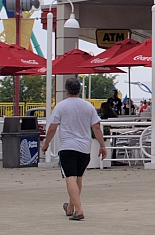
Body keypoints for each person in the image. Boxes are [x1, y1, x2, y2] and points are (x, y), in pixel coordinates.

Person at [41, 78, 107, 221]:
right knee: (78, 178)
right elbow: (96, 127)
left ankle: (79, 210)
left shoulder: (61, 106)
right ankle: (70, 208)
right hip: (84, 148)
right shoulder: (88, 106)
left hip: (67, 147)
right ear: (80, 90)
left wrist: (46, 144)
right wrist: (102, 145)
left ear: (66, 90)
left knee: (70, 178)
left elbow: (52, 127)